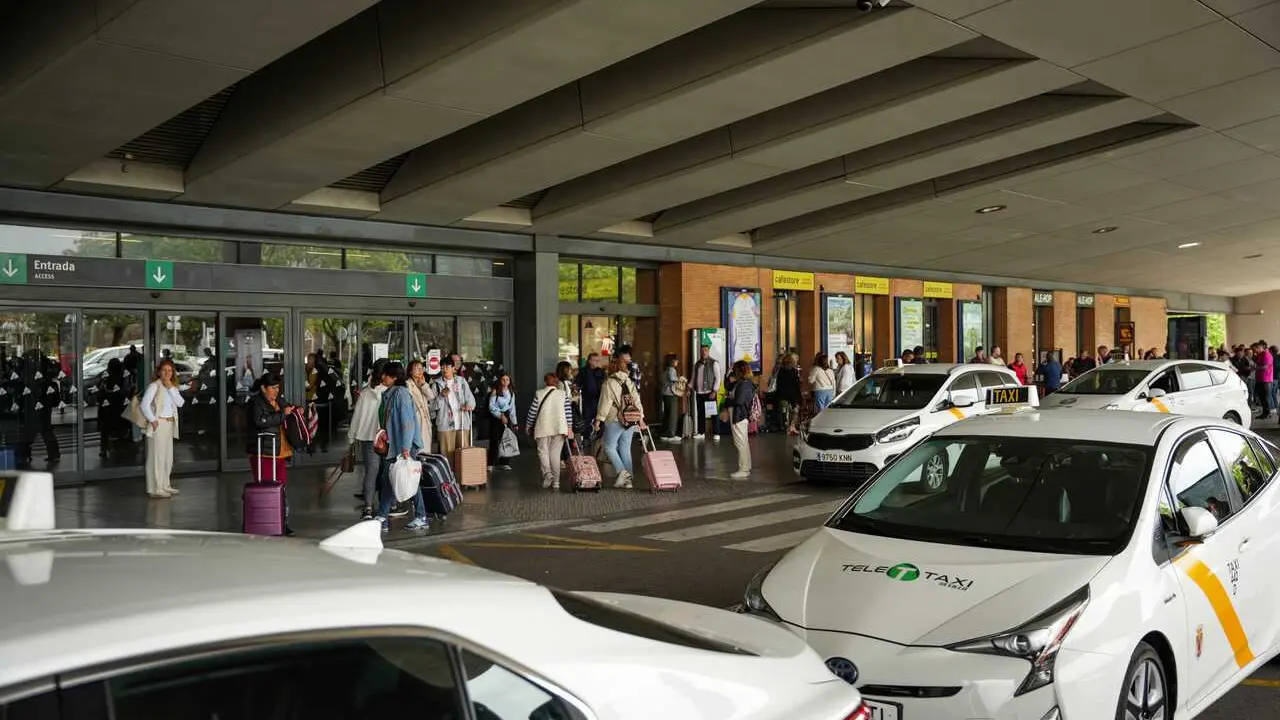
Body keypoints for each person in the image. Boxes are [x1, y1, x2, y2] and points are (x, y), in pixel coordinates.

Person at [374, 362, 430, 533]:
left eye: (386, 374)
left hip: (403, 447)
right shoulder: (389, 394)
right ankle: (383, 516)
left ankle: (420, 516)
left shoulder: (401, 394)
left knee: (407, 480)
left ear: (395, 377)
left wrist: (406, 448)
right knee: (391, 480)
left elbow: (408, 422)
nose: (383, 377)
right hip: (395, 445)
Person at [247, 372, 294, 535]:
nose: (276, 391)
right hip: (264, 452)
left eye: (278, 388)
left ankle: (281, 521)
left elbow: (288, 409)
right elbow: (260, 421)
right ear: (263, 388)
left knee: (281, 489)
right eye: (273, 388)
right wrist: (283, 415)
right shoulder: (256, 402)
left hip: (279, 451)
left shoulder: (278, 400)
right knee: (266, 488)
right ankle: (264, 520)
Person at [595, 355, 644, 489]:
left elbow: (605, 403)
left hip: (615, 419)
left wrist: (599, 420)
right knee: (625, 447)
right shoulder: (629, 382)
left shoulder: (608, 383)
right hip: (630, 419)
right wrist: (641, 418)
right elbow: (637, 401)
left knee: (608, 446)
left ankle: (621, 472)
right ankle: (628, 480)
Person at [348, 359, 387, 521]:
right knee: (386, 473)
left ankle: (368, 508)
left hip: (368, 438)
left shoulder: (365, 393)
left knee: (371, 473)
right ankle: (387, 506)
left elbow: (356, 417)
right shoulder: (391, 391)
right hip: (386, 439)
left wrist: (351, 438)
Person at [140, 359, 185, 499]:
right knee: (157, 457)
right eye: (164, 370)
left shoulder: (171, 387)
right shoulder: (155, 386)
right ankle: (155, 488)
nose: (167, 373)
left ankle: (165, 484)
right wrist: (153, 420)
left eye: (170, 370)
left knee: (167, 457)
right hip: (158, 424)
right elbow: (144, 405)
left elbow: (180, 403)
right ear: (159, 372)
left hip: (169, 423)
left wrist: (171, 387)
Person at [526, 372, 574, 490]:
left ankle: (547, 474)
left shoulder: (539, 393)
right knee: (555, 455)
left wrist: (528, 425)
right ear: (556, 383)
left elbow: (532, 412)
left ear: (544, 382)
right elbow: (568, 412)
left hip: (543, 427)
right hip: (559, 428)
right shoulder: (563, 394)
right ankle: (556, 482)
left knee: (543, 452)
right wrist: (569, 427)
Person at [432, 360, 475, 456]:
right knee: (447, 456)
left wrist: (469, 405)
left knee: (464, 456)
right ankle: (449, 471)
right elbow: (432, 406)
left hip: (462, 423)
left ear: (453, 368)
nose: (444, 369)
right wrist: (441, 396)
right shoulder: (436, 384)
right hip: (445, 425)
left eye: (447, 367)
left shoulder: (461, 381)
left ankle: (461, 472)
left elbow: (470, 399)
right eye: (442, 367)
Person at [725, 361, 757, 480]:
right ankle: (746, 467)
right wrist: (728, 373)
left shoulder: (744, 385)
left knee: (740, 442)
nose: (734, 372)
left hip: (739, 415)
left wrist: (727, 401)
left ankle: (743, 469)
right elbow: (728, 386)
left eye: (735, 370)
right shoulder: (741, 383)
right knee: (743, 441)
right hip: (738, 415)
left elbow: (739, 401)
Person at [486, 372, 519, 471]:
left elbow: (512, 408)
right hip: (496, 418)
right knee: (495, 440)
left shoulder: (511, 392)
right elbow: (491, 407)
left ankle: (505, 462)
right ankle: (491, 463)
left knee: (506, 439)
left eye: (507, 380)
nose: (505, 382)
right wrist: (500, 416)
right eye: (503, 380)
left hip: (507, 416)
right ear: (500, 380)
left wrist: (515, 422)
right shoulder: (495, 392)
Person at [691, 343, 723, 440]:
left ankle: (716, 433)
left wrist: (714, 391)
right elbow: (693, 378)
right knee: (700, 413)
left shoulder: (714, 363)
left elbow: (718, 378)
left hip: (710, 392)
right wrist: (689, 387)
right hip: (699, 392)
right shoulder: (697, 364)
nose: (703, 352)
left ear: (708, 351)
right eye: (702, 350)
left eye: (705, 350)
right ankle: (701, 433)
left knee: (713, 413)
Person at [406, 359, 438, 453]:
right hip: (416, 422)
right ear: (410, 371)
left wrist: (424, 384)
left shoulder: (422, 384)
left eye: (421, 368)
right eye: (417, 368)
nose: (420, 370)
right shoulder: (407, 384)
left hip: (425, 422)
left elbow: (431, 396)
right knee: (418, 451)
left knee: (426, 452)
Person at [775, 354, 803, 435]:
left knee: (786, 413)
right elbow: (796, 385)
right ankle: (791, 427)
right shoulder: (793, 371)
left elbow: (780, 385)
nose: (796, 362)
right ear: (791, 361)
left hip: (783, 395)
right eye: (795, 361)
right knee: (794, 411)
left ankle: (789, 428)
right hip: (792, 395)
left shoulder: (781, 371)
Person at [659, 353, 682, 442]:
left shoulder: (665, 370)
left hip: (665, 394)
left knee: (667, 414)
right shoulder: (672, 369)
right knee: (672, 415)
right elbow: (673, 379)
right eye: (676, 360)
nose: (677, 362)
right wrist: (680, 379)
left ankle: (664, 433)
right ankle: (671, 434)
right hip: (671, 394)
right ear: (672, 361)